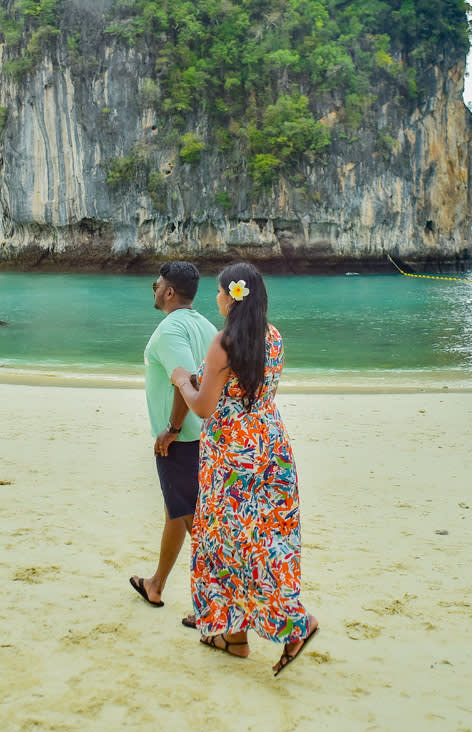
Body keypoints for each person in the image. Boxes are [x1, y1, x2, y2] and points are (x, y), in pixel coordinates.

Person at [172, 261, 319, 676]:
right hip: (270, 445)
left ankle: (285, 625)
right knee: (267, 538)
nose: (216, 298)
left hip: (231, 454)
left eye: (220, 291)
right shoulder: (273, 336)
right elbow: (258, 390)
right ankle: (237, 637)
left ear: (232, 297)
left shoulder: (224, 342)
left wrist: (182, 381)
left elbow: (204, 407)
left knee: (222, 540)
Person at [129, 261, 216, 613]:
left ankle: (217, 607)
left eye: (156, 285)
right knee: (176, 512)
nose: (153, 290)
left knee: (197, 525)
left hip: (180, 442)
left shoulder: (169, 331)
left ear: (168, 292)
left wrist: (173, 428)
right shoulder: (207, 326)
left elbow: (189, 379)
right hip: (204, 437)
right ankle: (156, 584)